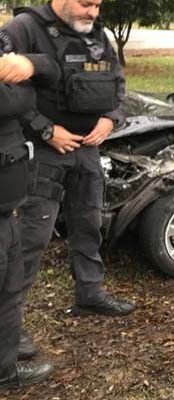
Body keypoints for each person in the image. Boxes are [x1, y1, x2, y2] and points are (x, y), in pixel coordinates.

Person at [2, 0, 136, 359]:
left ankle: (89, 293)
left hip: (87, 150)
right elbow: (6, 94)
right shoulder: (23, 29)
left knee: (89, 223)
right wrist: (47, 131)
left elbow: (117, 82)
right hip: (42, 153)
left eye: (97, 4)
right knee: (31, 239)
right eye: (85, 3)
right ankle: (9, 331)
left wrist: (112, 118)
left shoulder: (96, 34)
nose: (93, 12)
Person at [0, 32, 59, 390]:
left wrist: (28, 65)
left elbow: (51, 70)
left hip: (8, 209)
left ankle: (4, 371)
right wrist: (25, 87)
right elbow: (11, 102)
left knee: (9, 293)